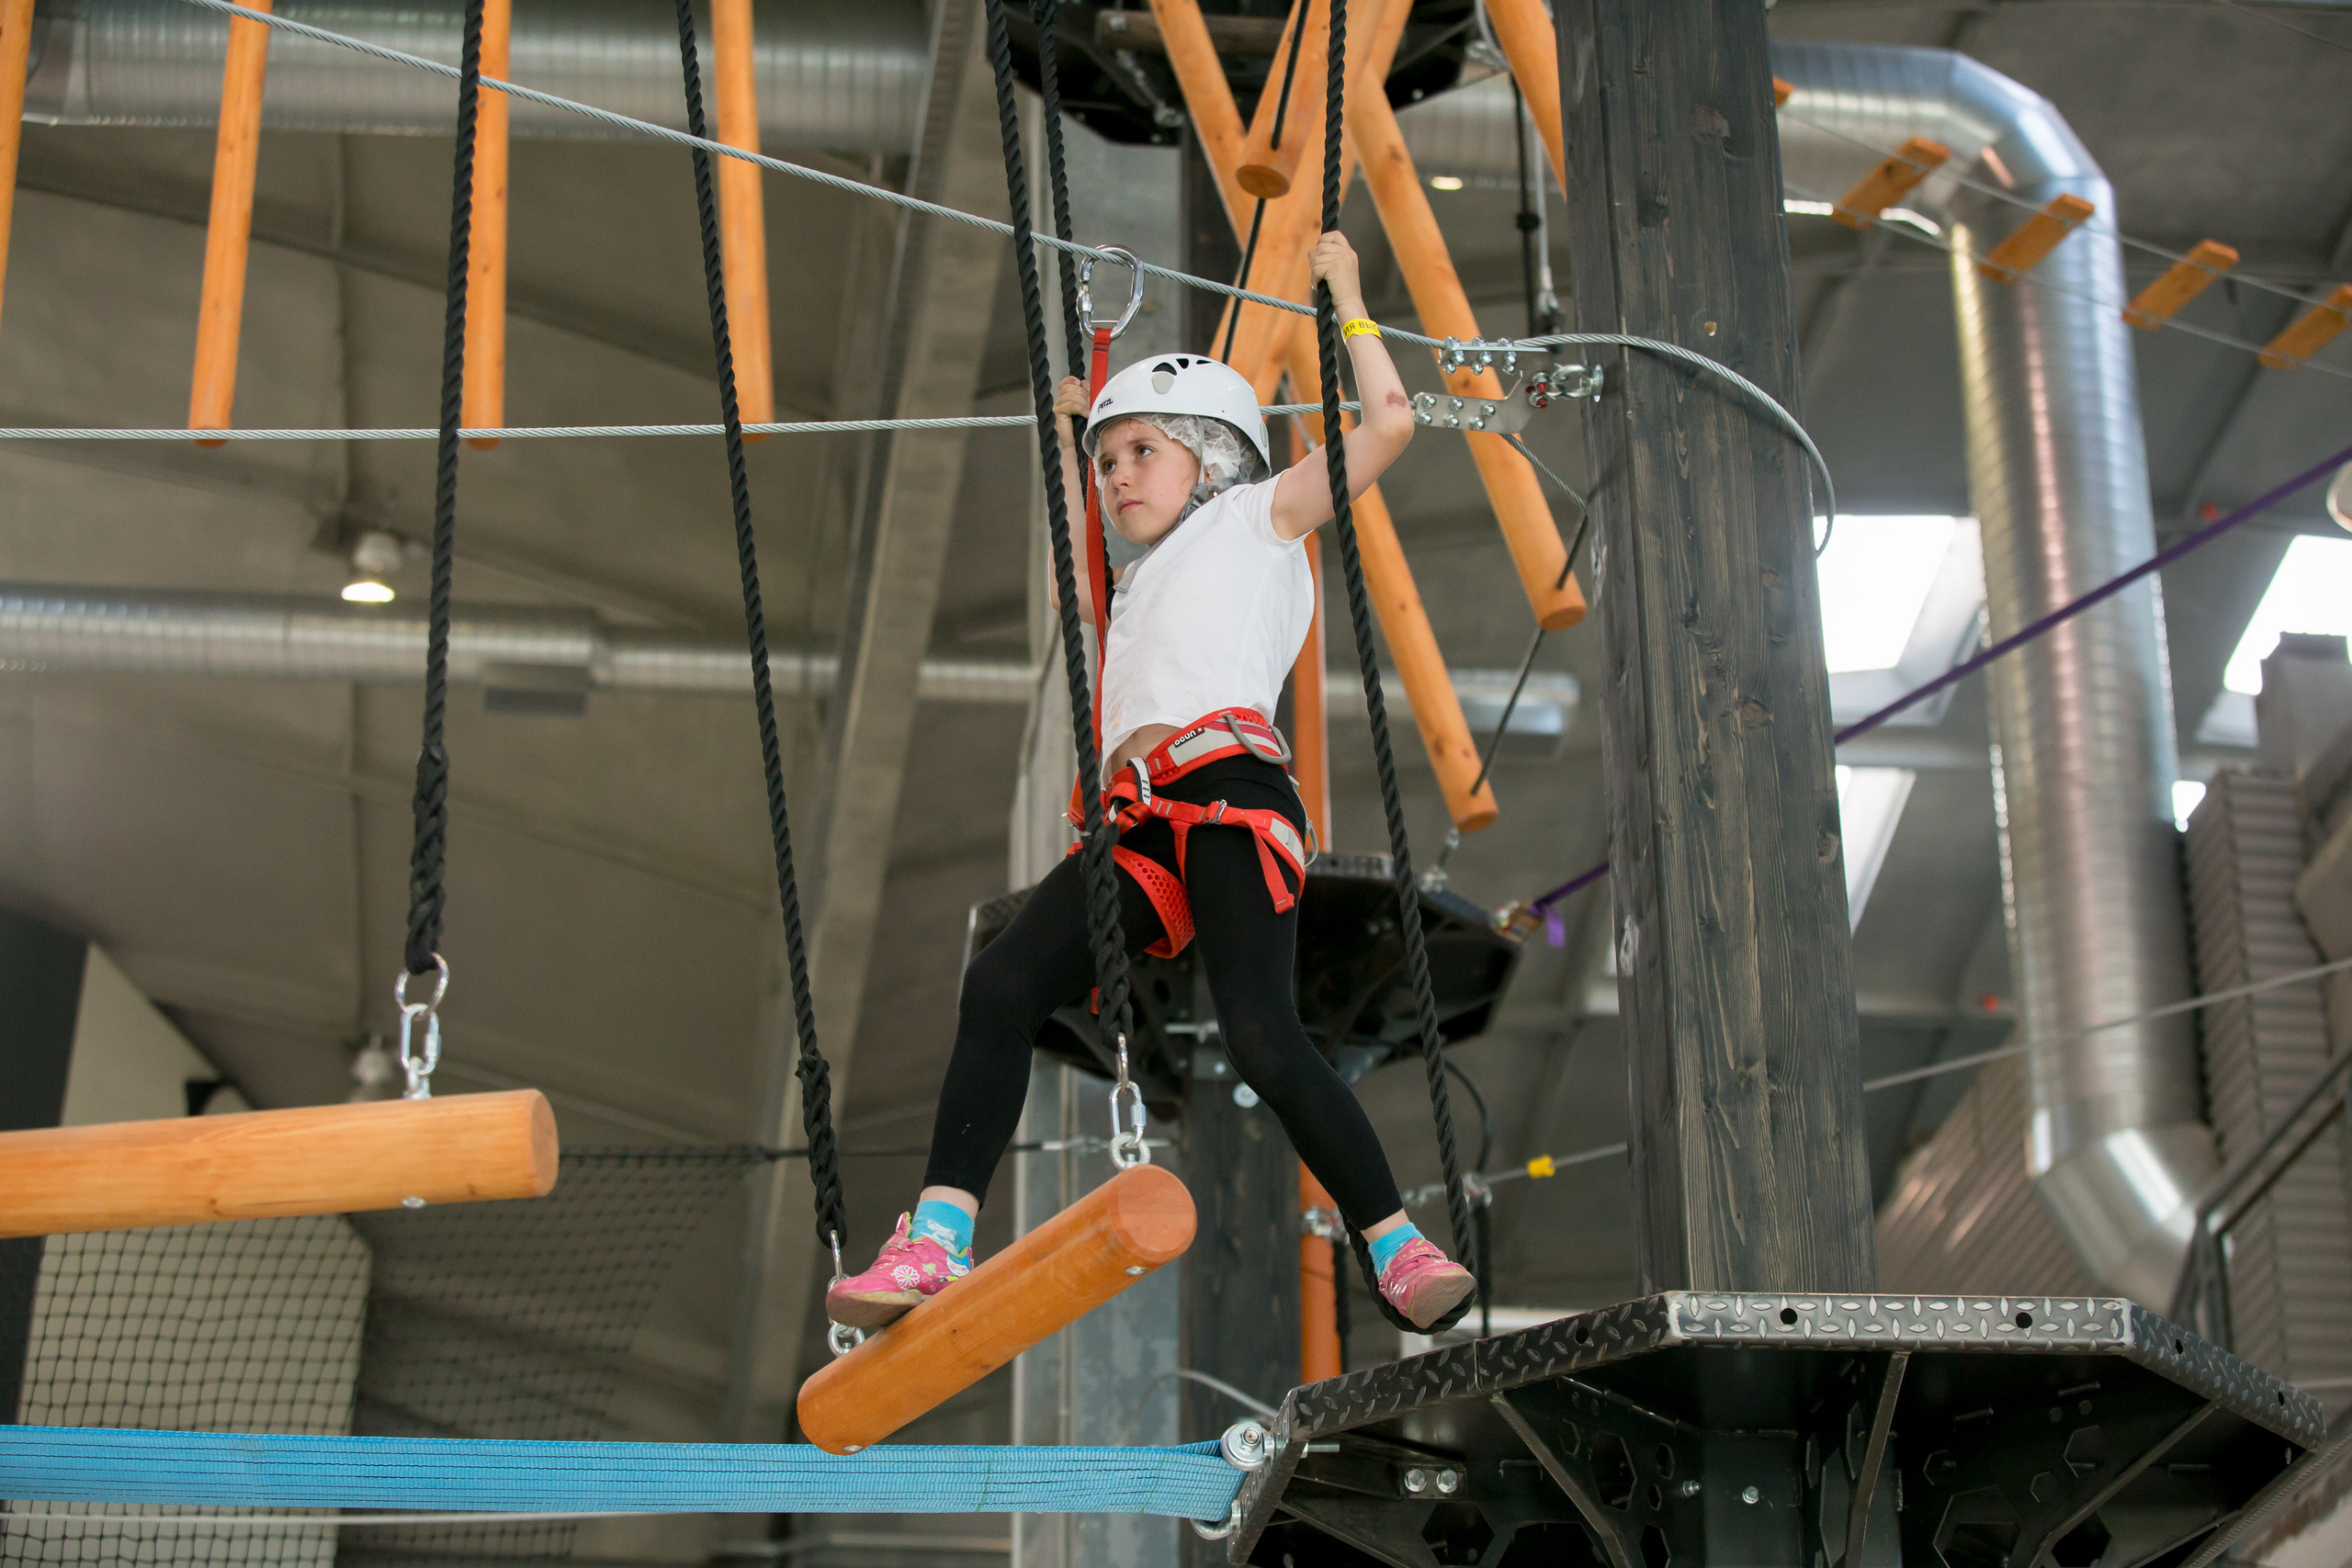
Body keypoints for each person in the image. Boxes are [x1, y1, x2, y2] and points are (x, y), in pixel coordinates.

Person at [827, 231, 1476, 1333]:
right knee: (996, 988)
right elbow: (1071, 570)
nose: (1119, 475)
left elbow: (1391, 427)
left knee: (1263, 1034)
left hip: (1226, 792)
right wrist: (1065, 430)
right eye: (1110, 461)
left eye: (1142, 453)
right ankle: (935, 1237)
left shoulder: (1253, 520)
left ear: (1212, 458)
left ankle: (1395, 1240)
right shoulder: (1128, 590)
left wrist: (1351, 297)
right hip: (1133, 825)